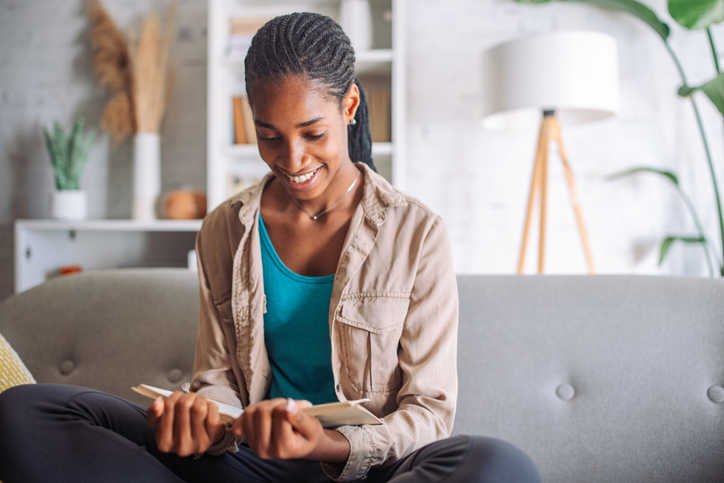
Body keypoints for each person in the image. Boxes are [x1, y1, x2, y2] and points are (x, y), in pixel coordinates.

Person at [0, 12, 540, 483]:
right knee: (26, 411)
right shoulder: (223, 229)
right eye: (269, 135)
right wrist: (199, 421)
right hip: (250, 465)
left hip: (365, 468)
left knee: (498, 465)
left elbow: (427, 413)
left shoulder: (416, 234)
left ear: (349, 104)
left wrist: (323, 443)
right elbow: (217, 383)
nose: (292, 158)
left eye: (312, 133)